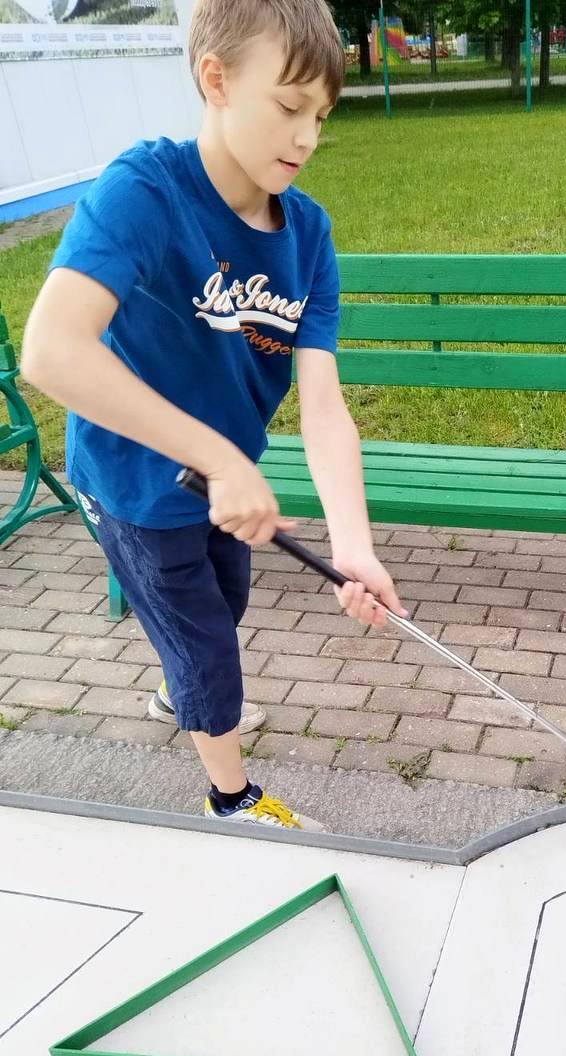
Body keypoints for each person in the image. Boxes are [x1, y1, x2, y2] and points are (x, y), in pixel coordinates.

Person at [21, 0, 406, 830]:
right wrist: (219, 457)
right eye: (290, 106)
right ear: (216, 79)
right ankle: (230, 798)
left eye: (321, 117)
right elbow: (50, 350)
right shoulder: (145, 190)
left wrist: (353, 546)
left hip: (226, 484)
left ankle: (180, 689)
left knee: (222, 607)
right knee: (207, 646)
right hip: (135, 482)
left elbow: (325, 405)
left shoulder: (308, 235)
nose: (306, 137)